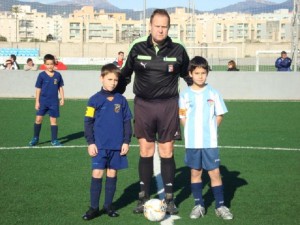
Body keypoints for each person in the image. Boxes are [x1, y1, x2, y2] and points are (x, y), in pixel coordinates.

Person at [117, 9, 191, 215]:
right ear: (150, 26)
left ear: (169, 27)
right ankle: (143, 198)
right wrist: (112, 94)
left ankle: (169, 199)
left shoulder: (178, 49)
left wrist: (202, 97)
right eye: (157, 26)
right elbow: (125, 75)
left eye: (164, 26)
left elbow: (189, 76)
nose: (160, 29)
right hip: (143, 105)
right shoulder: (137, 46)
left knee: (167, 151)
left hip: (168, 106)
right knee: (145, 151)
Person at [179, 56, 233, 220]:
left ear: (207, 73)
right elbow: (182, 115)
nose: (200, 76)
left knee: (214, 173)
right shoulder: (185, 94)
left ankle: (220, 205)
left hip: (210, 142)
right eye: (197, 73)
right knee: (195, 173)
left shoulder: (213, 93)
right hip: (193, 142)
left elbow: (220, 114)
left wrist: (212, 128)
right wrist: (189, 129)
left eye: (203, 73)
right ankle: (199, 204)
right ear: (190, 73)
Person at [82, 63, 132, 221]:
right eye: (109, 79)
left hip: (117, 146)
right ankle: (94, 208)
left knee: (112, 173)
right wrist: (91, 142)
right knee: (97, 173)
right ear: (101, 78)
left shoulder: (121, 100)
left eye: (115, 80)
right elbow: (88, 122)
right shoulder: (94, 100)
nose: (112, 83)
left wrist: (126, 141)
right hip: (100, 146)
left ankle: (109, 206)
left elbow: (126, 122)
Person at [28, 54, 65, 147]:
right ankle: (35, 138)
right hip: (43, 102)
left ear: (54, 64)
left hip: (53, 102)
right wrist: (37, 101)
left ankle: (54, 140)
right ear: (44, 64)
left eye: (51, 64)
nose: (50, 66)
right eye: (47, 64)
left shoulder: (58, 75)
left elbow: (60, 87)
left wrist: (62, 98)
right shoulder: (41, 75)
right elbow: (38, 89)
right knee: (38, 119)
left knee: (53, 121)